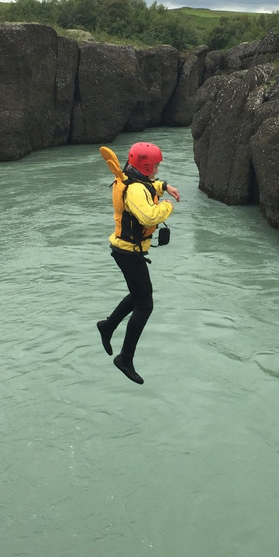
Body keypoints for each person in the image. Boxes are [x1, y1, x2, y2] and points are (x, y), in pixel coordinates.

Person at [97, 141, 180, 385]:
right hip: (128, 252)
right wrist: (166, 207)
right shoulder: (134, 189)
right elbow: (148, 215)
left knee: (137, 295)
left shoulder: (133, 178)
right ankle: (125, 358)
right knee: (145, 304)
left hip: (127, 250)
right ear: (144, 165)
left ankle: (108, 325)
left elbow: (150, 185)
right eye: (154, 166)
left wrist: (165, 186)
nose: (156, 170)